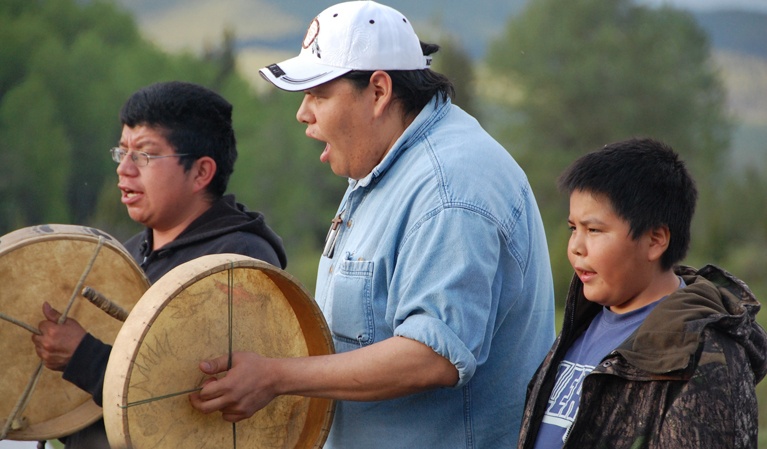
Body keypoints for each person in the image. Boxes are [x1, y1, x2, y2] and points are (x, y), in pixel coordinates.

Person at [189, 2, 555, 447]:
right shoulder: (388, 160)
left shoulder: (450, 187)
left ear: (379, 91)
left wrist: (276, 376)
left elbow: (432, 356)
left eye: (318, 94)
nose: (303, 114)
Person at [31, 81, 288, 448]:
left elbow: (200, 397)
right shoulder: (128, 253)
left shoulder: (238, 261)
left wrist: (83, 358)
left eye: (145, 156)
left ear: (201, 172)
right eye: (122, 153)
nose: (124, 170)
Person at [516, 138, 767, 449]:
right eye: (573, 228)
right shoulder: (582, 321)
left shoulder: (702, 356)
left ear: (655, 240)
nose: (576, 247)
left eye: (594, 230)